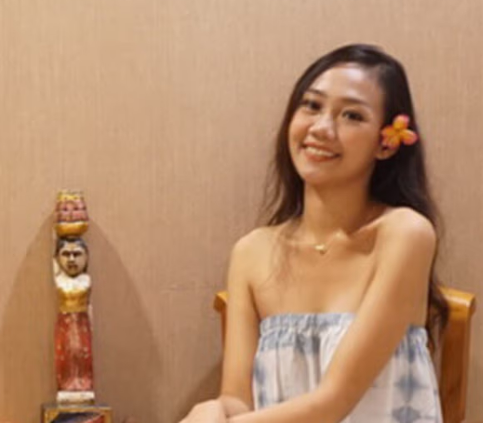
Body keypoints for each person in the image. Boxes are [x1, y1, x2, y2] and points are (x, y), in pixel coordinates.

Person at [183, 44, 447, 423]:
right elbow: (238, 399)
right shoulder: (252, 252)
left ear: (386, 143)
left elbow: (332, 403)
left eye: (352, 115)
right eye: (311, 106)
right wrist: (213, 410)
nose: (321, 128)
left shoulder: (406, 234)